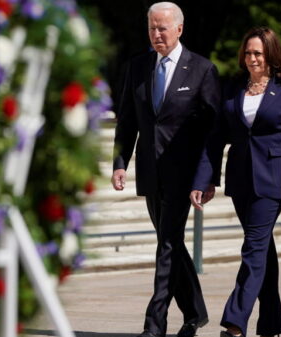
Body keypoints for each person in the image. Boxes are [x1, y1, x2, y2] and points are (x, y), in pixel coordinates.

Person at [190, 27, 281, 337]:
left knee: (253, 247)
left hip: (273, 179)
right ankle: (271, 324)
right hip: (240, 178)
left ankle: (234, 323)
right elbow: (216, 137)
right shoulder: (231, 88)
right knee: (262, 251)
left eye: (258, 53)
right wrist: (205, 179)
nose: (252, 58)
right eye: (248, 52)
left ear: (272, 55)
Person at [111, 2, 220, 337]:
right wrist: (120, 162)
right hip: (150, 171)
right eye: (152, 28)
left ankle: (154, 323)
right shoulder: (138, 66)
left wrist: (207, 177)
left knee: (168, 244)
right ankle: (195, 312)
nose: (156, 34)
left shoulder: (201, 69)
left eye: (163, 28)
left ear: (179, 29)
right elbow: (128, 119)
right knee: (169, 240)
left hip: (184, 175)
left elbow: (213, 133)